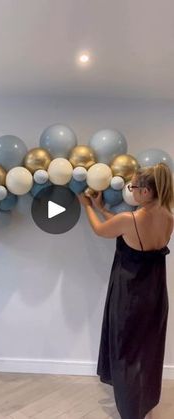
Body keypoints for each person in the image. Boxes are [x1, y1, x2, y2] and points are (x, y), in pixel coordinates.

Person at [78, 162, 174, 419]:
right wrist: (104, 209)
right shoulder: (168, 217)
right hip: (155, 297)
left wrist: (87, 207)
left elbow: (102, 231)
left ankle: (131, 412)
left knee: (125, 353)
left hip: (129, 296)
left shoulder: (131, 219)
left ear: (145, 191)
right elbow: (124, 228)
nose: (131, 191)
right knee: (147, 352)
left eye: (133, 187)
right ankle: (146, 403)